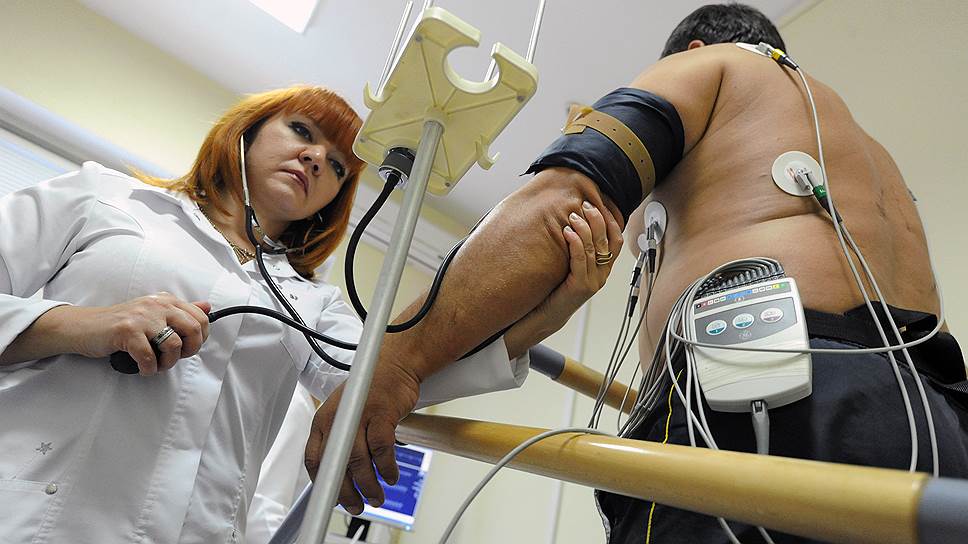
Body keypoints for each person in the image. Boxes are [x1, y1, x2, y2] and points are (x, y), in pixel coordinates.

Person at [306, 4, 968, 543]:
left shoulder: (713, 67)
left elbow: (563, 203)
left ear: (692, 49)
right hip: (935, 427)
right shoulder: (867, 153)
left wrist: (395, 364)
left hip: (767, 394)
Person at [0, 85, 617, 542]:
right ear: (246, 131)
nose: (318, 158)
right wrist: (78, 324)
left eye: (340, 165)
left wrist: (547, 315)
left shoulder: (310, 304)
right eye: (301, 130)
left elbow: (394, 378)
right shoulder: (104, 198)